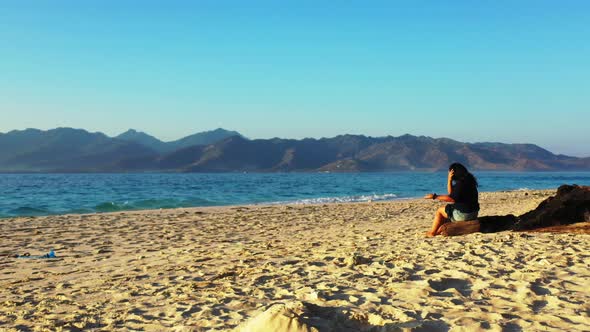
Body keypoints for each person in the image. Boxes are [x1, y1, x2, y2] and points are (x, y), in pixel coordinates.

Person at [424, 163, 479, 237]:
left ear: (453, 173)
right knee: (448, 209)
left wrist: (434, 196)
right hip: (473, 214)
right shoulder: (469, 182)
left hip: (464, 215)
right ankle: (440, 229)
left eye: (450, 172)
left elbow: (451, 199)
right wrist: (449, 180)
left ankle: (432, 233)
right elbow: (451, 193)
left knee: (440, 211)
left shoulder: (460, 184)